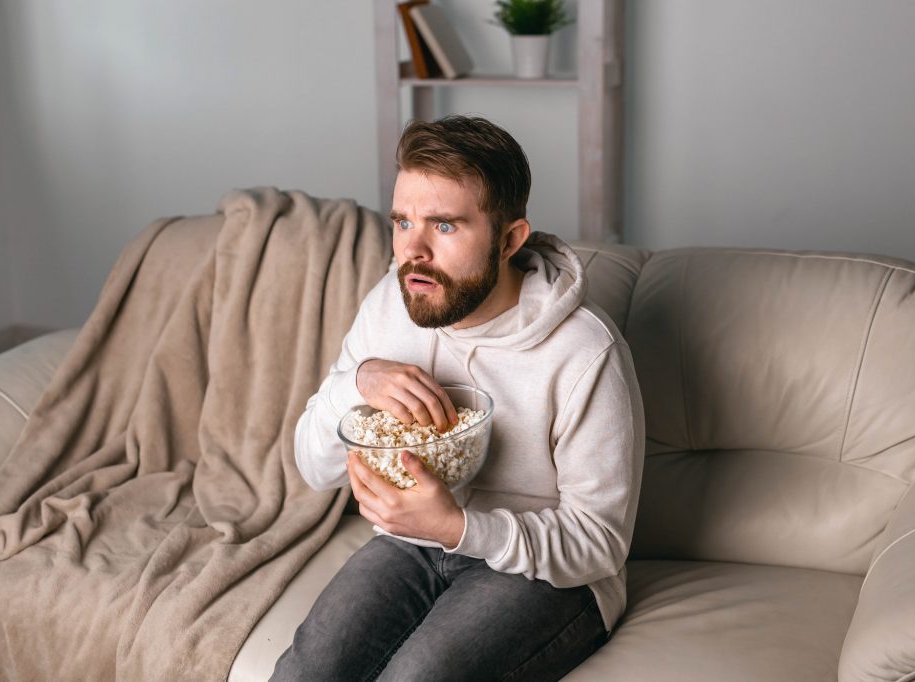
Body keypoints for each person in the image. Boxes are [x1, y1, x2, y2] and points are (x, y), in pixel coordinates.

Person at [273, 115, 644, 681]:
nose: (412, 251)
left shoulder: (585, 352)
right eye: (401, 221)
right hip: (411, 544)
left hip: (548, 574)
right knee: (308, 670)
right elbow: (313, 467)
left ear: (509, 239)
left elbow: (600, 543)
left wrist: (460, 529)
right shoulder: (389, 306)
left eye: (444, 226)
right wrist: (359, 381)